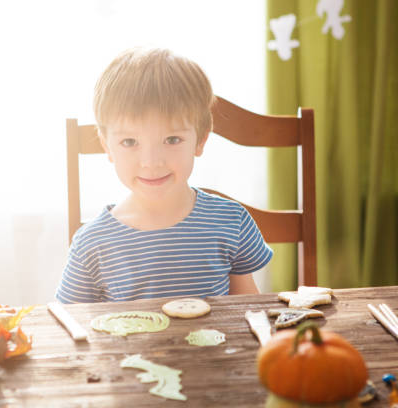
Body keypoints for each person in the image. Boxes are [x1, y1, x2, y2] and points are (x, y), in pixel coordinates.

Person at [56, 48, 272, 303]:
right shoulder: (92, 243)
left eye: (172, 139)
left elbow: (249, 311)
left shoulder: (231, 221)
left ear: (200, 140)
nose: (151, 162)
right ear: (107, 147)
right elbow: (69, 325)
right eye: (129, 142)